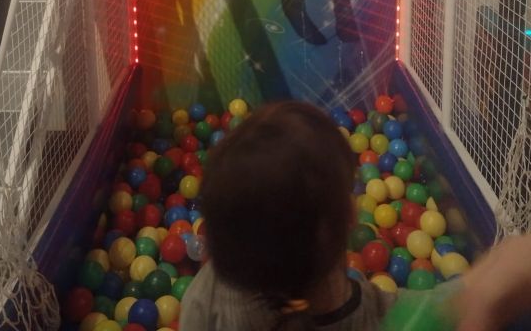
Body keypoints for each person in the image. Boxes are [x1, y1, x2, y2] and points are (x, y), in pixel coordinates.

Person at [179, 99, 531, 331]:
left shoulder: (205, 300)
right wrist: (481, 286)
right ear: (350, 215)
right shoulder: (377, 319)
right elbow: (482, 289)